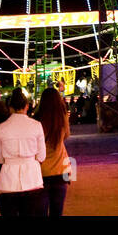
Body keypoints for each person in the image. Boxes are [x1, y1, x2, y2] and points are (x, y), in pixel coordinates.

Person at [0, 88, 47, 216]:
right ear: (27, 106)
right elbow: (42, 156)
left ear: (10, 107)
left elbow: (0, 159)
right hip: (32, 180)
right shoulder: (36, 125)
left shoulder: (1, 128)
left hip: (8, 182)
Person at [36, 87, 71, 217]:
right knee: (57, 211)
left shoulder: (37, 120)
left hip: (42, 171)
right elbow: (66, 136)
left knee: (41, 211)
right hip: (62, 170)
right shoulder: (63, 118)